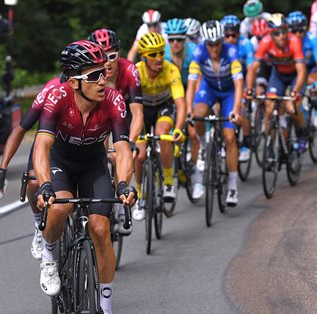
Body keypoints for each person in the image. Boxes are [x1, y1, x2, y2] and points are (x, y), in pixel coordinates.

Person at [33, 40, 136, 314]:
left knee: (101, 228)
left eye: (103, 72)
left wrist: (124, 183)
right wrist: (46, 185)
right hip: (60, 162)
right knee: (60, 206)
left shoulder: (114, 100)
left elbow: (122, 148)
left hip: (93, 164)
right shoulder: (57, 97)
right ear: (74, 82)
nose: (102, 80)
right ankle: (50, 255)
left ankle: (104, 311)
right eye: (93, 77)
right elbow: (41, 146)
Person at [0, 75, 62, 260]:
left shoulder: (96, 90)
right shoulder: (50, 92)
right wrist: (2, 169)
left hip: (78, 148)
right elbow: (20, 130)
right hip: (48, 143)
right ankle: (39, 224)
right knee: (34, 182)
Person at [88, 28, 144, 235]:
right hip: (101, 116)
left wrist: (131, 141)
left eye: (112, 55)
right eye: (103, 56)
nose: (108, 62)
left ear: (119, 53)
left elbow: (137, 113)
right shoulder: (91, 74)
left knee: (125, 154)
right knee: (102, 154)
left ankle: (121, 205)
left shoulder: (130, 70)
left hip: (125, 115)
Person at [186, 20, 244, 205]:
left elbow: (239, 84)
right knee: (198, 113)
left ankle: (233, 186)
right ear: (205, 43)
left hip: (229, 92)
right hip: (209, 88)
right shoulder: (198, 52)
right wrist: (188, 109)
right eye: (210, 44)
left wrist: (235, 110)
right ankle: (203, 146)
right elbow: (192, 83)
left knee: (229, 137)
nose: (214, 48)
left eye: (218, 43)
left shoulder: (231, 52)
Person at [134, 32, 186, 220]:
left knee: (163, 134)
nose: (159, 58)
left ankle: (169, 182)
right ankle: (140, 194)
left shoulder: (171, 70)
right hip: (142, 110)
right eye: (153, 54)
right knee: (139, 156)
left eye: (161, 53)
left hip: (164, 107)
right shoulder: (136, 72)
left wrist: (178, 128)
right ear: (143, 57)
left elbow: (180, 103)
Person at [246, 14, 308, 154]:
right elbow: (254, 68)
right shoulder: (266, 42)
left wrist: (296, 90)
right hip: (278, 75)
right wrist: (249, 89)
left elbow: (302, 70)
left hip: (294, 76)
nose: (281, 36)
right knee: (269, 107)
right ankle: (271, 145)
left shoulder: (294, 41)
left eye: (284, 31)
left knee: (292, 107)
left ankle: (301, 132)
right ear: (271, 34)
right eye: (276, 33)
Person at [222, 14, 254, 162]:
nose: (230, 39)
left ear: (238, 34)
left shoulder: (245, 43)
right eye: (226, 35)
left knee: (241, 107)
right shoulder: (219, 46)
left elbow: (251, 69)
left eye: (233, 35)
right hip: (227, 81)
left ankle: (246, 142)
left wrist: (249, 89)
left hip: (244, 78)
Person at [164, 18, 197, 87]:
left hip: (191, 85)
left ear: (185, 39)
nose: (175, 43)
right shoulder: (162, 53)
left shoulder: (194, 51)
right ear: (168, 40)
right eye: (171, 40)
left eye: (179, 39)